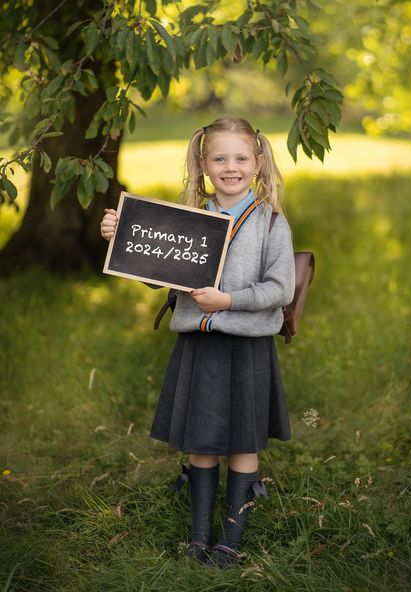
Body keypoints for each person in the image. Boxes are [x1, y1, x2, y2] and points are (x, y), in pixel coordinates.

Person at [100, 116, 295, 568]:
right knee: (202, 442)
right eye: (220, 158)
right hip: (199, 346)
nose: (231, 167)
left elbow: (280, 290)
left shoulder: (271, 222)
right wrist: (119, 236)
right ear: (203, 164)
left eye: (241, 158)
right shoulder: (188, 220)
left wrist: (228, 300)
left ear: (258, 162)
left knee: (243, 440)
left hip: (247, 347)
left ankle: (230, 538)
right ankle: (198, 535)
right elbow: (155, 274)